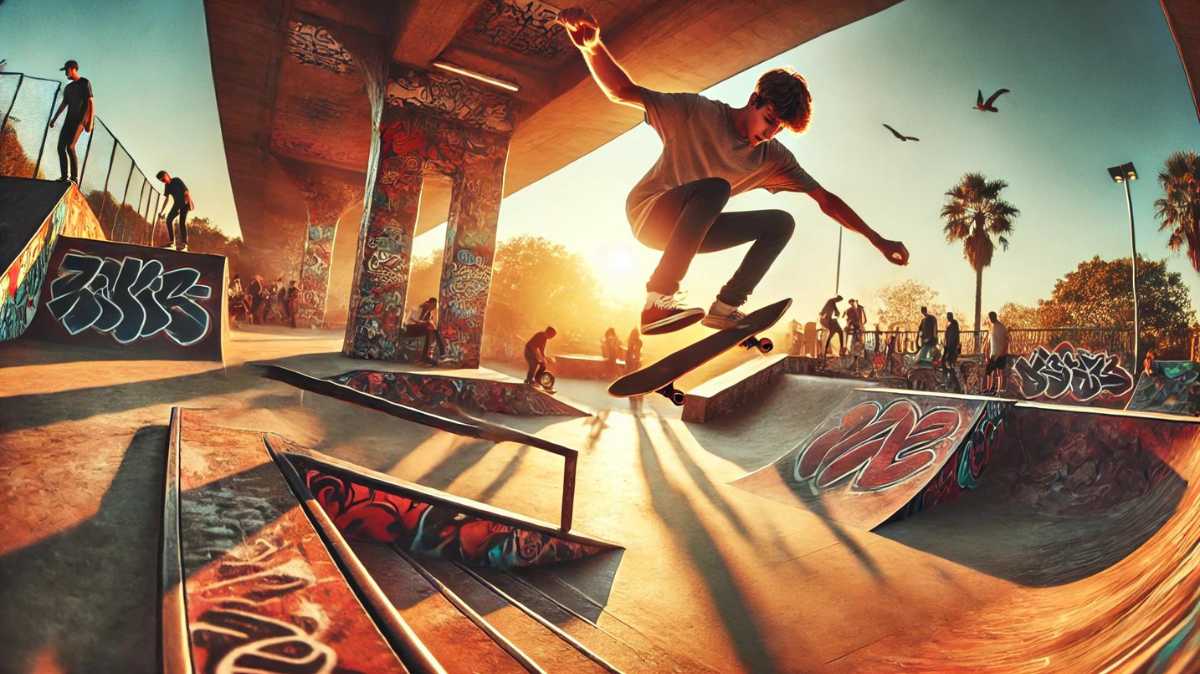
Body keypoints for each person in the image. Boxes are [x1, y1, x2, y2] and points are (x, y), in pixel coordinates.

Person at [556, 8, 908, 336]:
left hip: (691, 233)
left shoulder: (773, 158)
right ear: (754, 99)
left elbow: (825, 200)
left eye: (779, 129)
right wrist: (593, 46)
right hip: (650, 213)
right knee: (715, 190)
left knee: (781, 223)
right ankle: (657, 301)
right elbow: (623, 91)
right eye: (769, 120)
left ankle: (726, 307)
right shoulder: (696, 112)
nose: (769, 134)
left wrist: (877, 240)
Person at [48, 60, 94, 184]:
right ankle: (64, 176)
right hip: (68, 121)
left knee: (70, 147)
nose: (65, 73)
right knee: (60, 147)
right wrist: (54, 118)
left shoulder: (84, 82)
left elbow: (90, 102)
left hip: (80, 120)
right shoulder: (68, 88)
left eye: (66, 70)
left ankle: (74, 178)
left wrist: (90, 122)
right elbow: (64, 104)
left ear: (73, 69)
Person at [156, 170, 195, 252]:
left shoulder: (176, 180)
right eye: (161, 181)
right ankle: (171, 242)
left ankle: (184, 244)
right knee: (168, 220)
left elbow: (186, 191)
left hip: (185, 203)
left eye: (163, 179)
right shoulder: (167, 186)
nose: (163, 182)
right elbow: (167, 199)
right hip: (177, 204)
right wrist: (162, 211)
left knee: (182, 222)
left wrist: (188, 203)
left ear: (167, 175)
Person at [404, 297, 445, 365]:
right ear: (429, 303)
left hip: (419, 329)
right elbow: (409, 321)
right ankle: (441, 353)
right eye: (433, 306)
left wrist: (429, 323)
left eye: (435, 307)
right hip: (409, 328)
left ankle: (428, 356)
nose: (434, 308)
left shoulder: (429, 312)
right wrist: (425, 323)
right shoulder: (417, 308)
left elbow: (425, 323)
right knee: (430, 329)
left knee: (432, 330)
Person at [983, 311, 1010, 394]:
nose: (991, 319)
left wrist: (1004, 352)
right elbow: (989, 341)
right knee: (989, 371)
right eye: (990, 318)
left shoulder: (1001, 327)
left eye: (991, 317)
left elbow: (1007, 340)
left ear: (995, 317)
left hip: (1000, 353)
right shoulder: (992, 327)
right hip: (993, 353)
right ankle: (989, 388)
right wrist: (987, 353)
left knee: (999, 372)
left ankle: (998, 390)